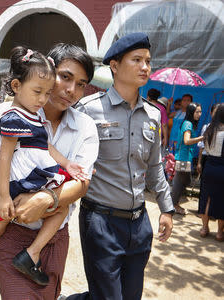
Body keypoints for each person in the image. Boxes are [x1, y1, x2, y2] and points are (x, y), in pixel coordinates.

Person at [0, 43, 99, 299]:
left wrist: (47, 199)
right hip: (11, 233)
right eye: (65, 77)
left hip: (54, 237)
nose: (71, 90)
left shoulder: (85, 126)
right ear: (48, 72)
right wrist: (7, 205)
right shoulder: (6, 114)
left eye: (81, 83)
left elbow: (82, 182)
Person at [72, 32, 174, 300]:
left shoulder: (152, 115)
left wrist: (166, 208)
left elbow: (154, 167)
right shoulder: (88, 110)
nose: (145, 67)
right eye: (137, 60)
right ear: (115, 66)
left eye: (148, 61)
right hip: (101, 222)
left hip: (139, 225)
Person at [171, 102, 203, 215]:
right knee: (180, 182)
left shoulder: (189, 123)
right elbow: (187, 141)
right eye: (197, 112)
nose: (200, 114)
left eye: (200, 111)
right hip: (183, 157)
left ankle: (173, 203)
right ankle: (173, 204)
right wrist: (202, 138)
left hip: (185, 157)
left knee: (184, 181)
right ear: (191, 112)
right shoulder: (188, 124)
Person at [198, 103, 224, 241]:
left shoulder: (208, 130)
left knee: (206, 198)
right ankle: (220, 233)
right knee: (221, 199)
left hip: (209, 166)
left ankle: (204, 228)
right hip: (222, 167)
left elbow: (203, 148)